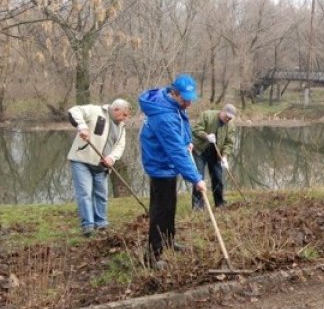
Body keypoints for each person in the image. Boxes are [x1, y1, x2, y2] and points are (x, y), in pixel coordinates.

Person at [139, 74, 207, 267]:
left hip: (167, 164)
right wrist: (196, 178)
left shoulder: (170, 104)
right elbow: (175, 150)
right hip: (161, 165)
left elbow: (181, 131)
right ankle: (153, 255)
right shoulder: (164, 116)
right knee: (160, 211)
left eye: (191, 99)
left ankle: (168, 241)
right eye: (185, 99)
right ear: (174, 93)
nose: (189, 103)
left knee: (170, 208)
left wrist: (188, 143)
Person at [67, 99, 131, 237]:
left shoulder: (121, 128)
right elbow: (74, 110)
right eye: (124, 115)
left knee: (101, 195)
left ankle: (101, 223)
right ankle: (88, 226)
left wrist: (111, 158)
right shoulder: (95, 111)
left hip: (102, 166)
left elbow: (119, 146)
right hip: (82, 160)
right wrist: (82, 126)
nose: (126, 118)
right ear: (116, 110)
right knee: (85, 193)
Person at [191, 104, 237, 209]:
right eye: (227, 116)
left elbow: (229, 143)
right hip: (200, 151)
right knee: (199, 178)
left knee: (218, 178)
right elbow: (196, 129)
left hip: (216, 154)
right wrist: (206, 136)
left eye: (230, 118)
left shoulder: (230, 125)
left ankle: (220, 204)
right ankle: (198, 207)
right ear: (222, 111)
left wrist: (224, 157)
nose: (228, 119)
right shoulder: (206, 115)